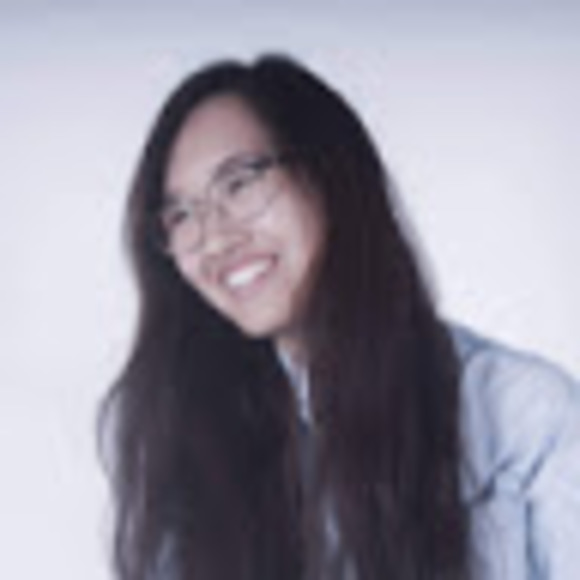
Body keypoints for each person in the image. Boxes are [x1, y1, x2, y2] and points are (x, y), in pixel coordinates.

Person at [99, 54, 580, 580]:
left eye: (239, 183)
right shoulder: (184, 431)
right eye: (181, 214)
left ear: (327, 175)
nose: (213, 239)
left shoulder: (522, 418)